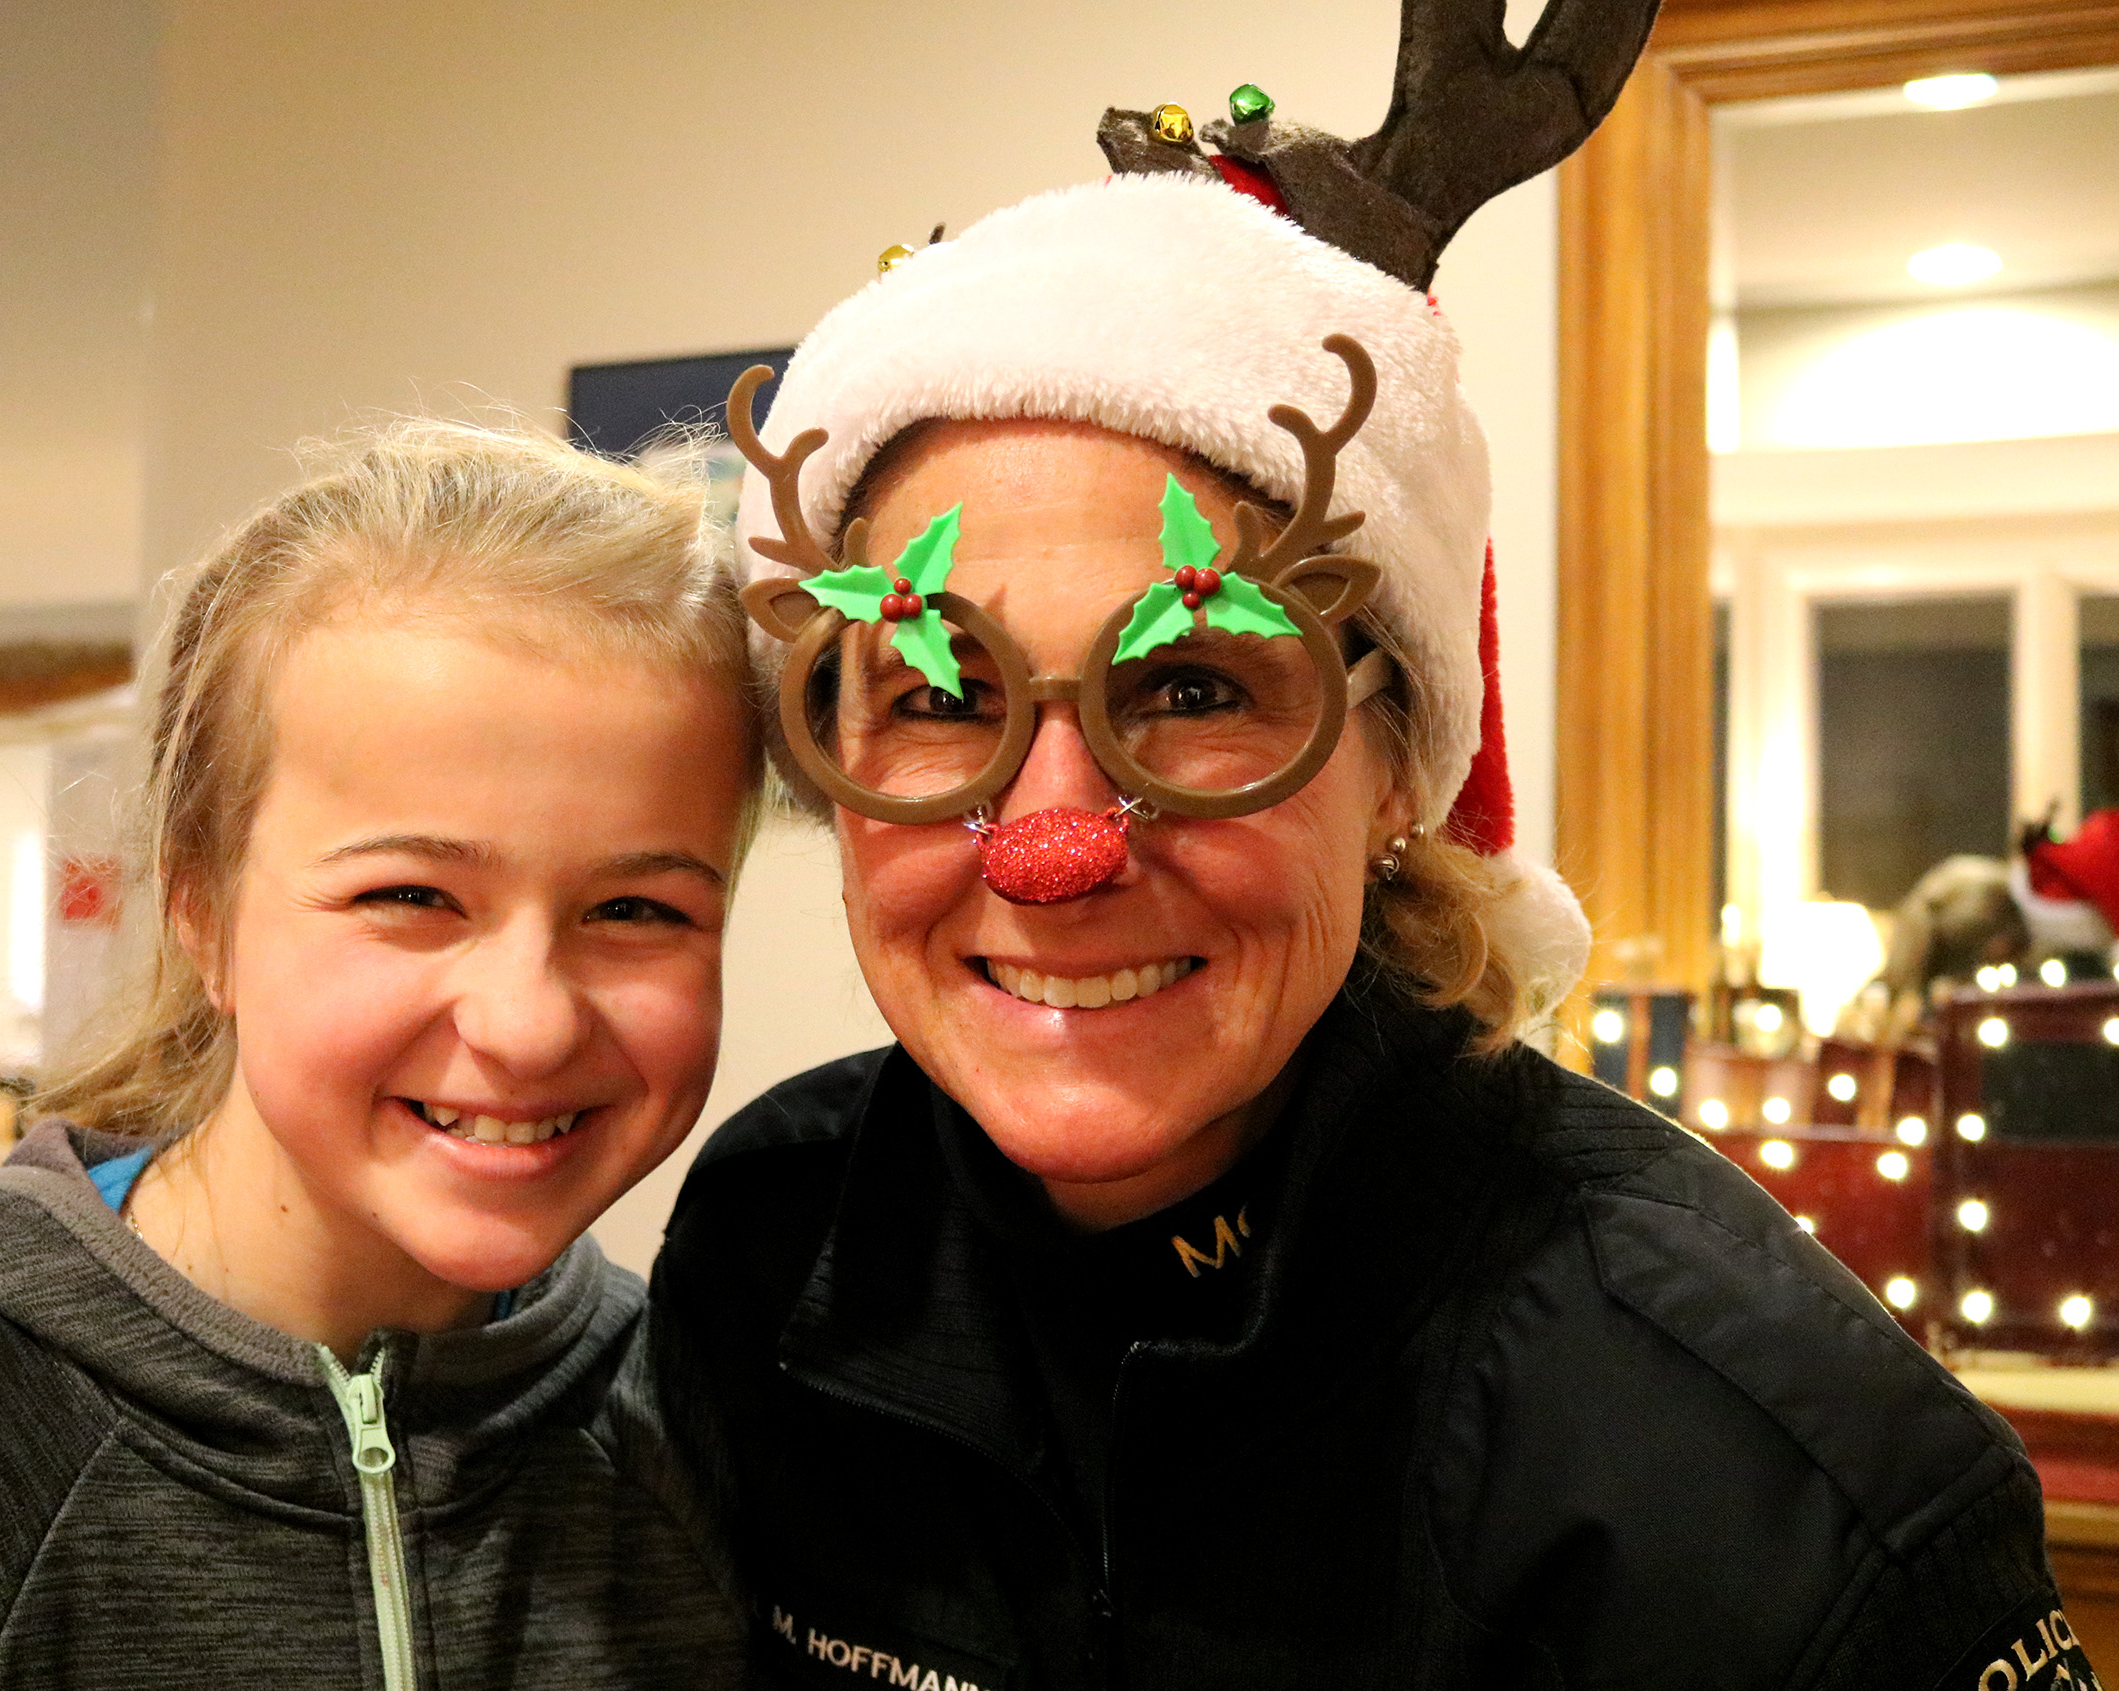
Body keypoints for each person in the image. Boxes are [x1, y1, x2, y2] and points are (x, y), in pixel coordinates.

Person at [648, 9, 2100, 1686]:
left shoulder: (1796, 1486)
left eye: (1187, 686)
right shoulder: (771, 1249)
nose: (1052, 844)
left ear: (1399, 755)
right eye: (936, 691)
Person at [0, 420, 757, 1688]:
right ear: (202, 913)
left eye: (638, 910)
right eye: (412, 895)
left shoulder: (703, 1442)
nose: (530, 1019)